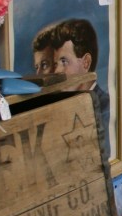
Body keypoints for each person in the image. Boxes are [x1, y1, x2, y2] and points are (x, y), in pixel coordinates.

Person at [32, 18, 111, 159]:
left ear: (86, 62)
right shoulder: (66, 104)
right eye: (56, 63)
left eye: (64, 61)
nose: (57, 71)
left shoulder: (105, 106)